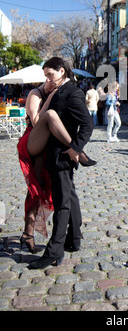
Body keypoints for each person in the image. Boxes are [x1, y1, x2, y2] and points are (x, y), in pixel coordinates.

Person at [28, 57, 95, 269]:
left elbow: (87, 124)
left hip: (61, 156)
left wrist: (75, 149)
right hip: (56, 154)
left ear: (62, 71)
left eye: (51, 74)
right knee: (70, 195)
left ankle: (54, 251)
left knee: (62, 203)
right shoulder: (58, 91)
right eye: (45, 75)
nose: (48, 78)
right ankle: (73, 240)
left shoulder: (72, 92)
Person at [17, 80, 57, 253]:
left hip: (45, 147)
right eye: (49, 78)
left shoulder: (49, 93)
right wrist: (50, 99)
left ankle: (28, 233)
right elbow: (36, 122)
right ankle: (28, 234)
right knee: (35, 189)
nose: (52, 84)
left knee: (41, 189)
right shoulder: (35, 94)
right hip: (34, 144)